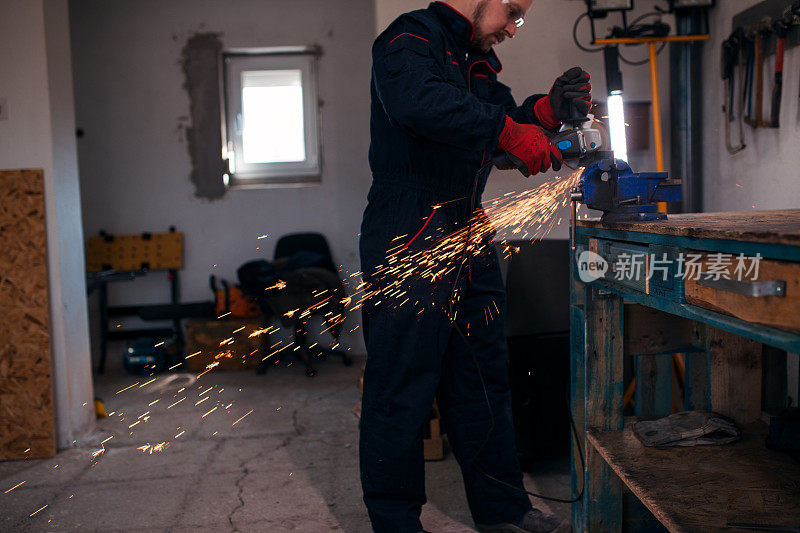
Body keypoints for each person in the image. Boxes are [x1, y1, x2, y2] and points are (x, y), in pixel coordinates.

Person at [359, 1, 591, 531]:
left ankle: (503, 510)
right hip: (409, 224)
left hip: (467, 225)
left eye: (521, 18)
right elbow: (419, 102)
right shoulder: (410, 38)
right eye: (511, 11)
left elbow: (505, 125)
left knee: (483, 376)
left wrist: (547, 113)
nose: (513, 28)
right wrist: (508, 133)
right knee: (403, 384)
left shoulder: (477, 60)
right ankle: (395, 522)